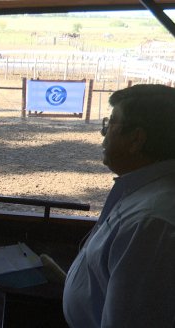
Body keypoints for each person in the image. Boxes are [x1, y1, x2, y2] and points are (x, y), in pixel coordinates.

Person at [63, 84, 175, 327]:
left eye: (110, 124)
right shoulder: (146, 193)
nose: (104, 134)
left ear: (136, 140)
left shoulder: (150, 225)